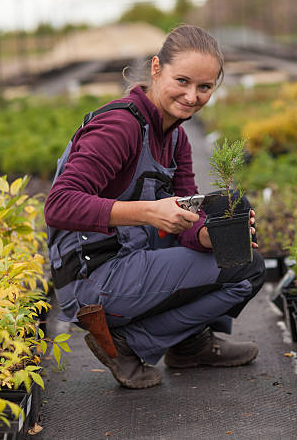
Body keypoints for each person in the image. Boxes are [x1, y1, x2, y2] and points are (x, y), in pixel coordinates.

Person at [44, 24, 266, 390]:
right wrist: (148, 212)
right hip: (92, 277)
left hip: (132, 257)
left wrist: (209, 236)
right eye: (182, 80)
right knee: (241, 271)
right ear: (156, 69)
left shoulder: (176, 136)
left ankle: (187, 345)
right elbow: (60, 204)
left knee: (241, 257)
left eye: (204, 87)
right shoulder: (120, 125)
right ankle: (128, 345)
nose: (192, 96)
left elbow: (188, 211)